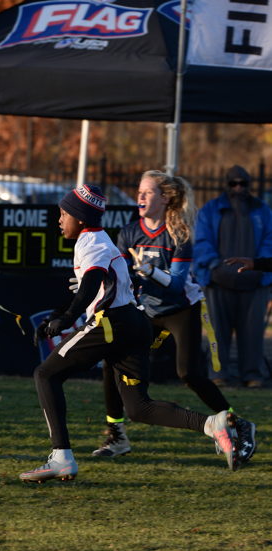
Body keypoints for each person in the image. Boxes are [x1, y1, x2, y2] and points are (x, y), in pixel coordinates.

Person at [19, 184, 253, 483]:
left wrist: (66, 318)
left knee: (45, 375)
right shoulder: (99, 240)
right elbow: (97, 286)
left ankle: (61, 457)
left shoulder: (91, 242)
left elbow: (91, 282)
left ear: (79, 217)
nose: (59, 220)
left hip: (112, 323)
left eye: (63, 214)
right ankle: (212, 424)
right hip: (133, 323)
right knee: (139, 408)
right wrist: (60, 313)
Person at [93, 170, 255, 464]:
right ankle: (116, 435)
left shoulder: (180, 233)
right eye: (139, 192)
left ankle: (237, 423)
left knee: (189, 374)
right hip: (146, 310)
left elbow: (178, 285)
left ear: (165, 198)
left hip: (180, 309)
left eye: (147, 192)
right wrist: (96, 283)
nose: (140, 197)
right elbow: (122, 276)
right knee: (112, 361)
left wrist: (150, 272)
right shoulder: (129, 232)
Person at [193, 166, 272, 388]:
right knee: (217, 333)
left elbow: (270, 240)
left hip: (254, 282)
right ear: (226, 185)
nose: (238, 188)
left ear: (249, 185)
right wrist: (214, 266)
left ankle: (252, 374)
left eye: (242, 183)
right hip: (219, 281)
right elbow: (202, 241)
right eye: (233, 183)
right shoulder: (210, 210)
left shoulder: (262, 210)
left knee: (253, 333)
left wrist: (259, 267)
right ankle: (218, 373)